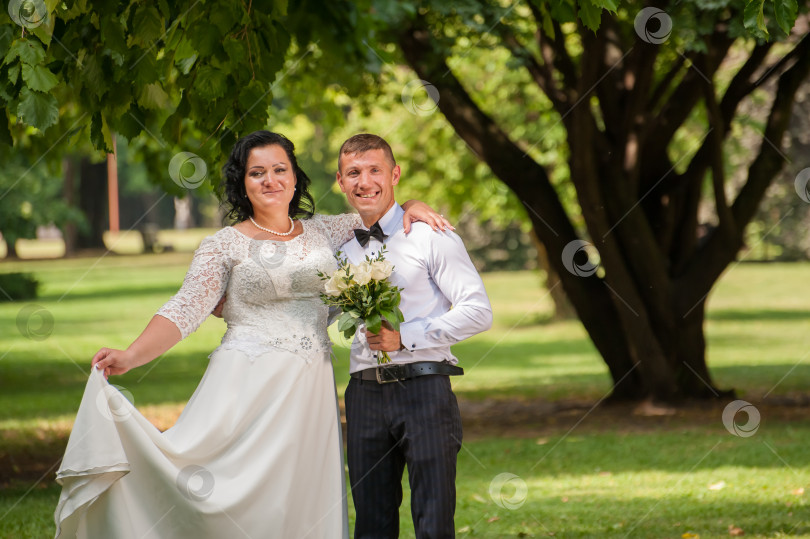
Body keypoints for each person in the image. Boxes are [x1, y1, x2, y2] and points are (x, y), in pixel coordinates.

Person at [53, 130, 450, 539]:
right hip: (245, 385)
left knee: (298, 498)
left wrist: (416, 205)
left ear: (296, 178)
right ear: (242, 183)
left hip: (309, 391)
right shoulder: (221, 245)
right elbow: (185, 307)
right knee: (225, 494)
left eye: (280, 169)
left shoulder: (330, 232)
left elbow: (382, 211)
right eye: (257, 172)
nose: (270, 180)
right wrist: (131, 355)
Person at [336, 134, 493, 538]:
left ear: (395, 174)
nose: (364, 181)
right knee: (371, 522)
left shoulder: (431, 234)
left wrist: (404, 336)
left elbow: (478, 311)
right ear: (340, 181)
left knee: (433, 520)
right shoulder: (340, 253)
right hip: (364, 394)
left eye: (374, 170)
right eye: (354, 172)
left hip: (425, 388)